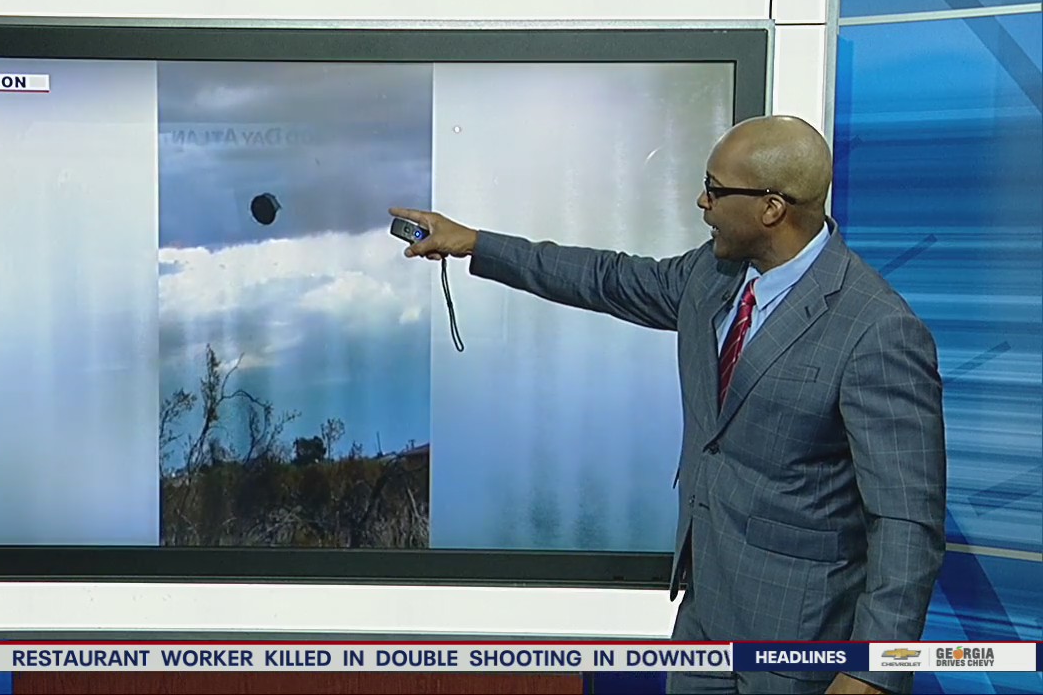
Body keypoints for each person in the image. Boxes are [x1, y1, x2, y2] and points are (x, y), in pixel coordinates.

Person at [392, 115, 947, 695]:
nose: (701, 202)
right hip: (703, 628)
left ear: (772, 208)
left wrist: (874, 672)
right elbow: (606, 278)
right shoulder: (714, 276)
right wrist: (476, 244)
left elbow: (907, 521)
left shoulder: (877, 329)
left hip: (802, 647)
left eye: (715, 187)